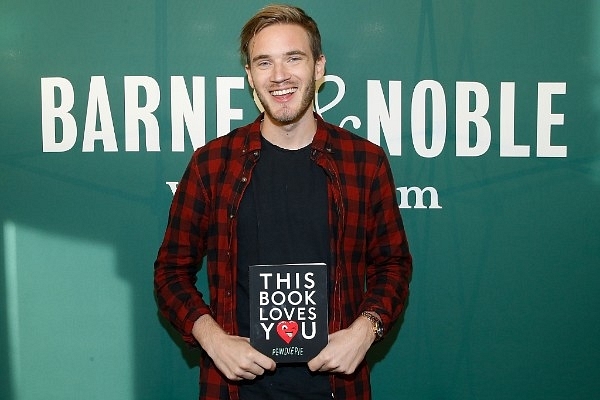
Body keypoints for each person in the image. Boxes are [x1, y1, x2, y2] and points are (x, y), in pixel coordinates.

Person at [154, 4, 412, 400]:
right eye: (264, 63)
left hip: (336, 389)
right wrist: (213, 339)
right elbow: (170, 272)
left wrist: (366, 330)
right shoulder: (211, 164)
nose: (279, 76)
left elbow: (393, 264)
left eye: (294, 58)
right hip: (233, 390)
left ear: (319, 67)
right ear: (250, 77)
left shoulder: (365, 161)